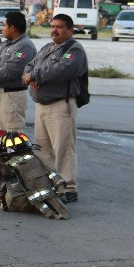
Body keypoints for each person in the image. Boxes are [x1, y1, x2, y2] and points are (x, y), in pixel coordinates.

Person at [23, 13, 87, 203]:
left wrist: (35, 76)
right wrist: (30, 75)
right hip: (42, 105)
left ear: (70, 30)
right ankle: (52, 183)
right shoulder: (47, 48)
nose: (55, 30)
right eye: (53, 26)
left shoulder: (74, 50)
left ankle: (68, 187)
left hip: (61, 105)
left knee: (63, 148)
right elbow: (29, 65)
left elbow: (62, 69)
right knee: (43, 149)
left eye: (59, 27)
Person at [0, 10, 36, 133]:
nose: (2, 29)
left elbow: (10, 70)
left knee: (10, 138)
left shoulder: (24, 46)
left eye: (4, 25)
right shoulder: (4, 44)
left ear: (12, 28)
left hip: (11, 98)